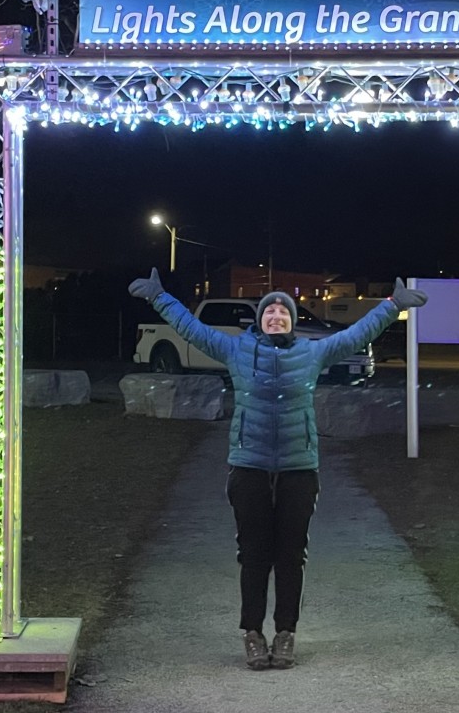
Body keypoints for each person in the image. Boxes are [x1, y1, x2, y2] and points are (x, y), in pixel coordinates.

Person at [127, 268, 428, 671]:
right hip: (248, 466)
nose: (275, 317)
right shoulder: (235, 350)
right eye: (269, 312)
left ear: (291, 320)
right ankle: (252, 633)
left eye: (282, 313)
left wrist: (392, 306)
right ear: (259, 320)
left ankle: (285, 634)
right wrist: (158, 298)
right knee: (253, 555)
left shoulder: (311, 353)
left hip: (298, 468)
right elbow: (191, 329)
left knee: (291, 556)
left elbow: (356, 336)